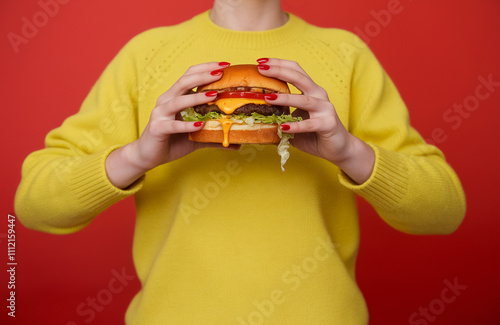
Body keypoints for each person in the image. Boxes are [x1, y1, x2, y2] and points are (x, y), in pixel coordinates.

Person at [15, 0, 466, 324]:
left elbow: (444, 212)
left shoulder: (346, 54)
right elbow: (35, 205)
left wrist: (349, 151)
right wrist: (136, 156)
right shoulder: (146, 53)